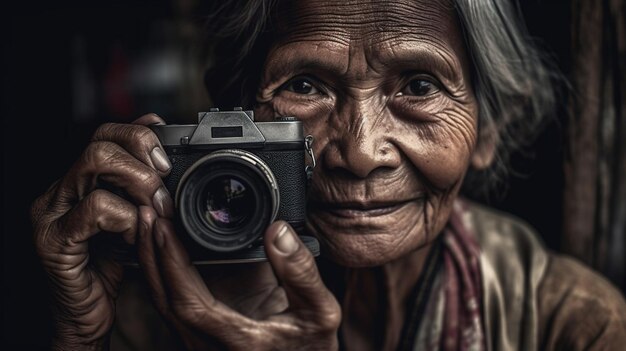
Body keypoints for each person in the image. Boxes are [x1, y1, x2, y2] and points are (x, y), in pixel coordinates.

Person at [30, 0, 626, 350]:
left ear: (487, 131)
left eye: (419, 86)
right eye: (305, 86)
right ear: (243, 118)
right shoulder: (154, 305)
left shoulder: (570, 323)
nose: (361, 151)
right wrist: (80, 339)